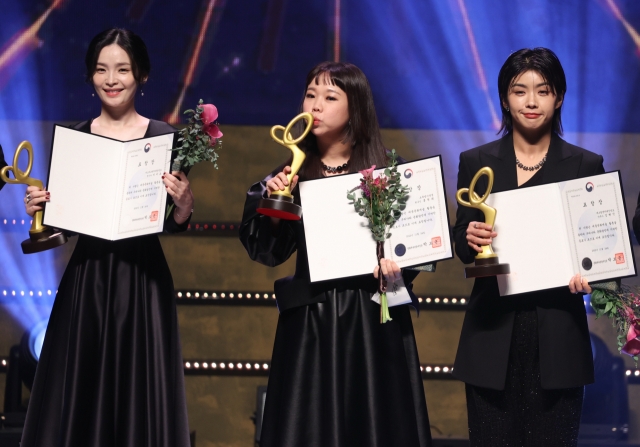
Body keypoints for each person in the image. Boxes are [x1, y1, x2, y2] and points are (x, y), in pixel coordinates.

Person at [240, 61, 432, 447]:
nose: (315, 105)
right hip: (311, 322)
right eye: (310, 95)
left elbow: (414, 246)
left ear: (355, 107)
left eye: (330, 97)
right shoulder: (290, 174)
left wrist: (397, 268)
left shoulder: (387, 174)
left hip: (372, 320)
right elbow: (267, 251)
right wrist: (276, 207)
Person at [20, 29, 193, 447]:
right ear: (90, 77)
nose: (111, 79)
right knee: (80, 392)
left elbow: (172, 222)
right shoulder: (76, 137)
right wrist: (40, 213)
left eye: (122, 69)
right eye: (101, 70)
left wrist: (185, 203)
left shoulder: (164, 138)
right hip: (88, 282)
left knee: (141, 392)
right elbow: (64, 228)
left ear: (142, 75)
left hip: (144, 282)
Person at [452, 48, 602, 446]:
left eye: (543, 90)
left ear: (559, 98)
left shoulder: (585, 165)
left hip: (558, 336)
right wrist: (468, 238)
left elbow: (598, 245)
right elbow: (461, 240)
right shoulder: (475, 161)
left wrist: (593, 275)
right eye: (520, 91)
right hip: (491, 334)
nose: (531, 102)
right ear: (504, 98)